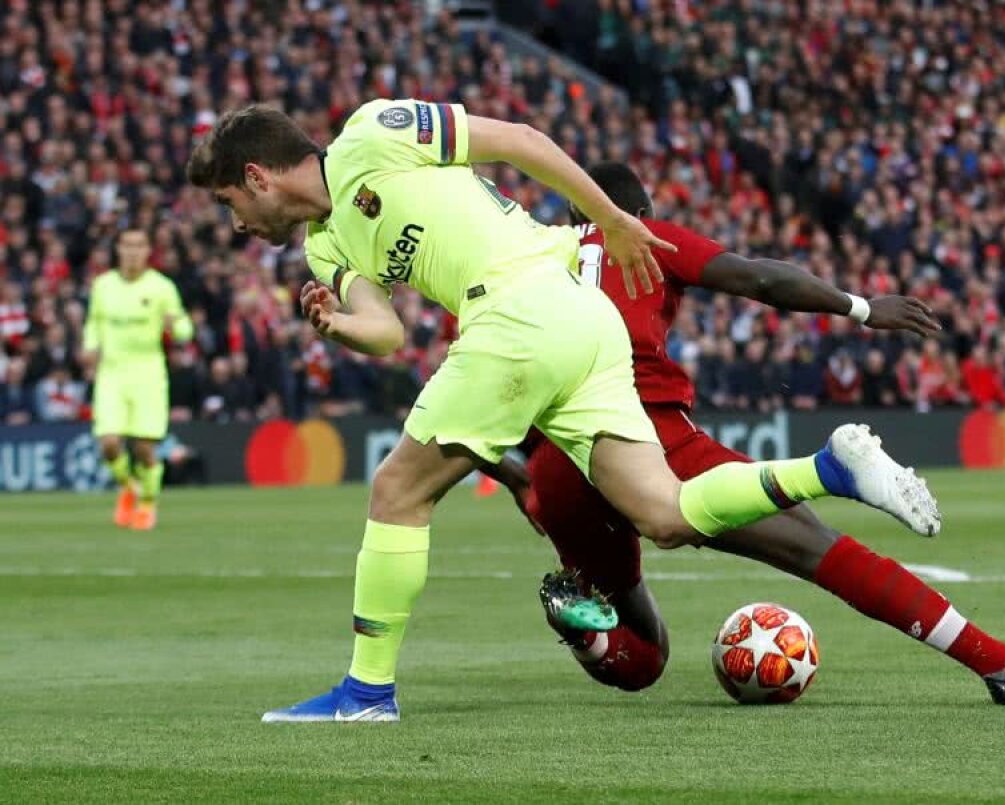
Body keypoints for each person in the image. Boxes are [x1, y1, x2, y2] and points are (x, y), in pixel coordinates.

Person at [187, 99, 940, 722]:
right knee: (665, 511)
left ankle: (365, 693)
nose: (236, 226)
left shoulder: (375, 132)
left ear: (256, 176)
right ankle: (829, 467)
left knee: (397, 491)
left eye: (230, 204)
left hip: (517, 311)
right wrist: (338, 326)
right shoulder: (325, 247)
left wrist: (609, 215)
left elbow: (518, 141)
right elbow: (385, 331)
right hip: (580, 324)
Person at [522, 162, 1005, 705]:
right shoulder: (649, 238)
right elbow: (761, 279)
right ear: (640, 210)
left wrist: (529, 486)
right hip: (649, 435)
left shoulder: (539, 262)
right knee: (816, 546)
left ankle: (583, 630)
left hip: (557, 461)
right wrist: (863, 308)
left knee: (642, 654)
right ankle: (1002, 665)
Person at [81, 228, 193, 531]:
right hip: (112, 373)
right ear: (117, 249)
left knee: (145, 447)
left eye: (139, 245)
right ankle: (127, 486)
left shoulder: (161, 287)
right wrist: (90, 346)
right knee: (109, 443)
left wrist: (177, 327)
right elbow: (94, 322)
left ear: (147, 251)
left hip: (148, 373)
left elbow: (185, 329)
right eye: (127, 245)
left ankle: (148, 502)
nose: (132, 251)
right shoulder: (103, 286)